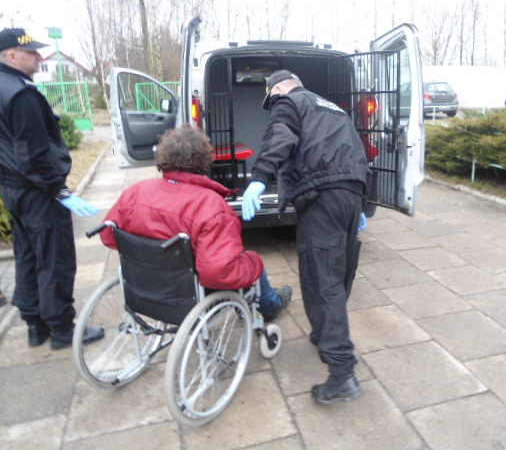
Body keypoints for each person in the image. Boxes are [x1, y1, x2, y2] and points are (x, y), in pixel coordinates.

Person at [242, 70, 369, 404]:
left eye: (271, 99)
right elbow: (358, 152)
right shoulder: (335, 108)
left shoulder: (289, 101)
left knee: (321, 278)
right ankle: (324, 332)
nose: (273, 106)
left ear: (280, 88)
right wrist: (362, 204)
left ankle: (343, 374)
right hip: (350, 196)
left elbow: (280, 138)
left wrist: (259, 178)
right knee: (338, 274)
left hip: (322, 198)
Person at [100, 125, 292, 321]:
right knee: (251, 262)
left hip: (146, 285)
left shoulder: (135, 191)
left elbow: (108, 235)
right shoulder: (210, 205)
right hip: (189, 293)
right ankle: (271, 306)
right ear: (204, 160)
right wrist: (255, 264)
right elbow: (218, 272)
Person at [0, 28, 103, 350]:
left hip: (14, 191)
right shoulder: (22, 94)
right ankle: (61, 330)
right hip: (39, 194)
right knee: (54, 260)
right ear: (11, 55)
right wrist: (60, 191)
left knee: (28, 256)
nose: (39, 57)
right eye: (31, 53)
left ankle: (35, 325)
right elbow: (31, 154)